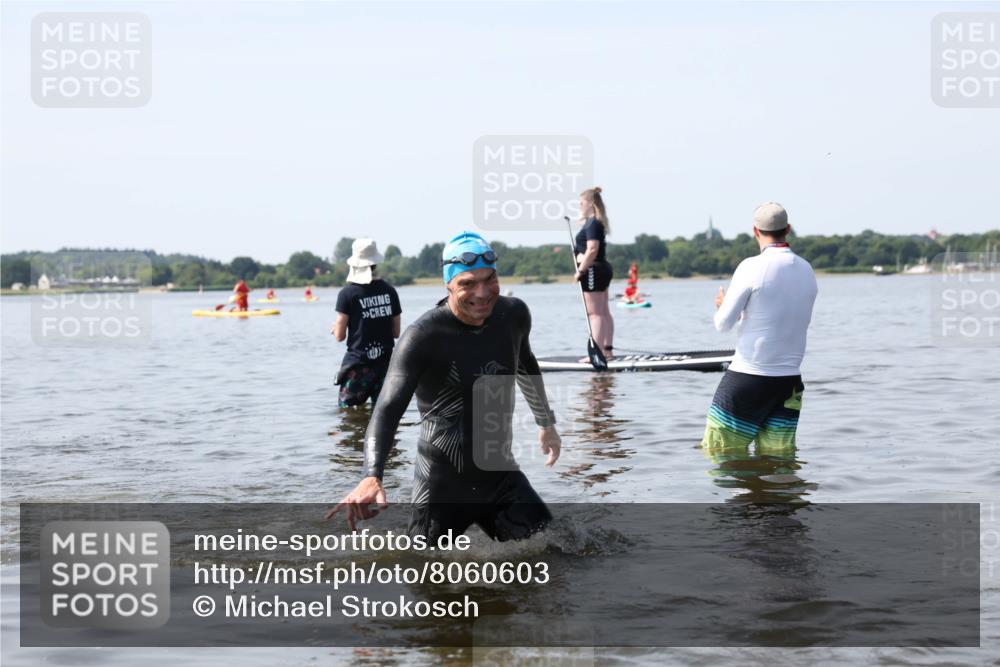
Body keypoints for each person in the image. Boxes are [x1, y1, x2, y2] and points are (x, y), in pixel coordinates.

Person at [327, 231, 562, 541]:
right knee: (422, 567)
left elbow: (526, 364)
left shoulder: (513, 315)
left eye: (489, 279)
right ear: (448, 284)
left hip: (501, 479)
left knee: (560, 553)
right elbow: (386, 410)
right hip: (441, 490)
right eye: (467, 283)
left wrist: (546, 423)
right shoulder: (424, 336)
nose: (482, 293)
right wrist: (371, 475)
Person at [702, 202, 818, 457]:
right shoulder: (807, 269)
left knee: (720, 455)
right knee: (780, 463)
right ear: (788, 229)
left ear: (755, 231)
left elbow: (723, 324)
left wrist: (722, 306)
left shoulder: (751, 267)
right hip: (789, 383)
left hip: (748, 378)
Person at [332, 239, 402, 408]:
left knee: (348, 415)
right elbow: (396, 333)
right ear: (375, 263)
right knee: (382, 415)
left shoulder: (347, 294)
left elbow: (339, 336)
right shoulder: (390, 291)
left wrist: (335, 328)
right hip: (385, 366)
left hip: (358, 367)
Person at [574, 187, 614, 360]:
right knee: (603, 311)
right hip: (602, 268)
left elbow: (592, 249)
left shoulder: (592, 223)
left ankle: (596, 354)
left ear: (590, 203)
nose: (580, 206)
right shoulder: (595, 222)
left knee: (595, 314)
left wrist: (581, 270)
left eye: (581, 203)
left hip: (592, 270)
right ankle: (607, 351)